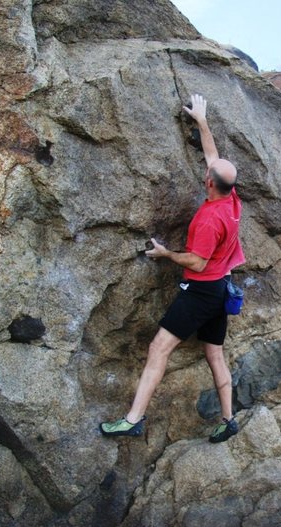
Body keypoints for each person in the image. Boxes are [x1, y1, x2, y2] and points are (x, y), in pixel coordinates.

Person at [100, 94, 245, 443]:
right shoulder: (231, 198)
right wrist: (202, 120)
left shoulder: (211, 219)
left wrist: (166, 255)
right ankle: (228, 419)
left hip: (200, 291)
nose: (206, 170)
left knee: (158, 348)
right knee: (214, 354)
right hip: (221, 287)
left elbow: (196, 261)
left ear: (209, 182)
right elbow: (212, 157)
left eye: (207, 173)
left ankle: (133, 419)